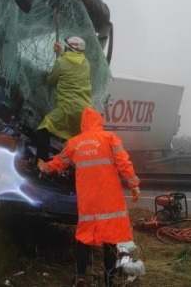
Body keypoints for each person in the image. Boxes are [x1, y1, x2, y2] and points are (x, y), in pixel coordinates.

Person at [38, 107, 140, 287]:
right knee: (111, 240)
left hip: (88, 201)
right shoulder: (110, 138)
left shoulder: (74, 143)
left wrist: (44, 167)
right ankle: (109, 280)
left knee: (84, 237)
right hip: (110, 200)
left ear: (83, 123)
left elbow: (58, 164)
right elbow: (124, 164)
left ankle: (81, 277)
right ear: (98, 121)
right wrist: (134, 186)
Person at [36, 36, 91, 162]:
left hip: (67, 108)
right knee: (75, 141)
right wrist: (61, 54)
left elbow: (51, 81)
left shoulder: (60, 62)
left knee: (43, 130)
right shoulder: (86, 63)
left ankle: (41, 165)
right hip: (85, 111)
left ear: (68, 47)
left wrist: (60, 56)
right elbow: (72, 63)